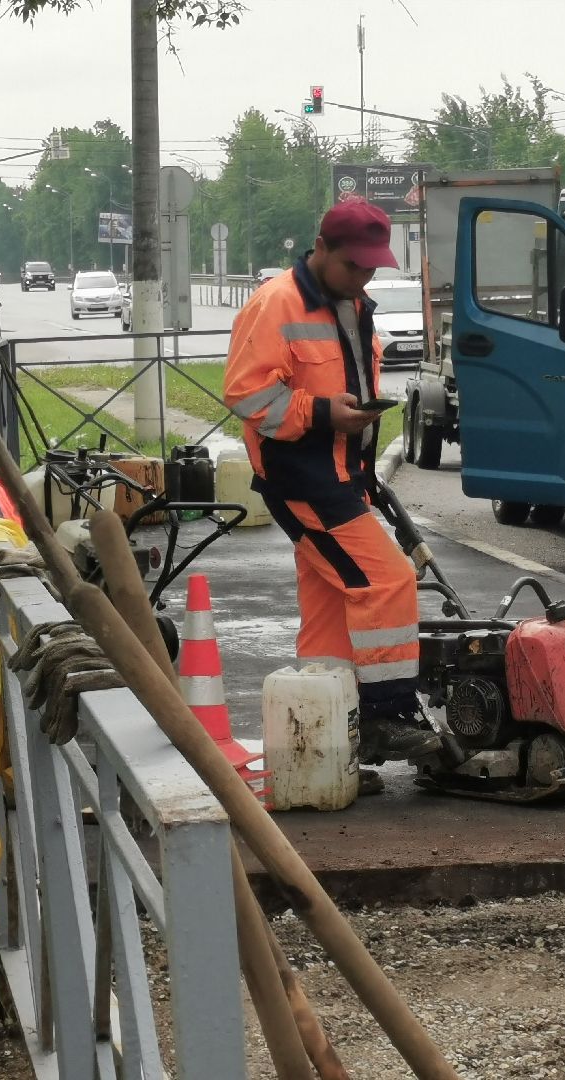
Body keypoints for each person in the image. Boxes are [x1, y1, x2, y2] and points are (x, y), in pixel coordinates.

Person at [223, 199, 441, 765]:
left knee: (330, 614)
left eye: (371, 270)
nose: (363, 278)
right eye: (353, 267)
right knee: (387, 579)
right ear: (321, 248)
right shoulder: (276, 303)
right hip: (304, 481)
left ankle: (327, 751)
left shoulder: (354, 304)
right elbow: (246, 395)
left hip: (344, 478)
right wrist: (324, 415)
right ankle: (386, 718)